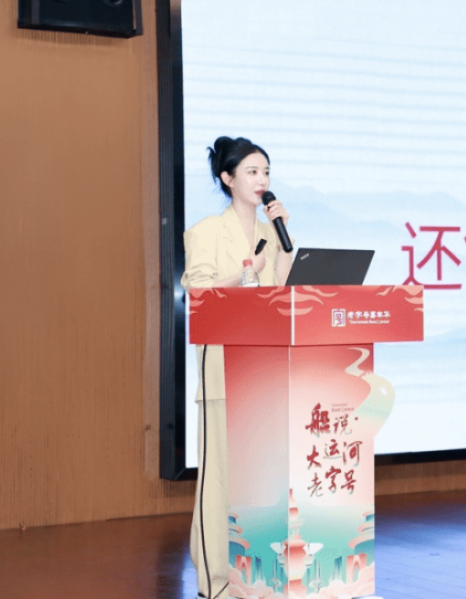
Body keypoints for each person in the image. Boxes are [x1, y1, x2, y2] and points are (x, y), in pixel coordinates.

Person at [181, 136, 293, 599]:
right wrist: (248, 273)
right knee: (220, 485)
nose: (262, 180)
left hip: (264, 371)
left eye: (266, 171)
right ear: (227, 178)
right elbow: (198, 293)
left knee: (262, 484)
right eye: (251, 171)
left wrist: (285, 244)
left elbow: (282, 293)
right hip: (223, 371)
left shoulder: (272, 233)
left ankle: (259, 581)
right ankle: (216, 584)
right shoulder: (207, 231)